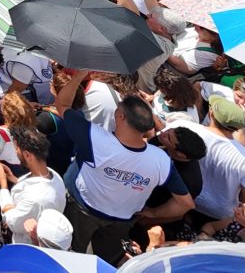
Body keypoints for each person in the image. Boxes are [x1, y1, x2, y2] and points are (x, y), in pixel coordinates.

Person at [53, 73, 193, 264]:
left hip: (82, 209)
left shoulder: (95, 138)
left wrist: (79, 75)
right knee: (107, 259)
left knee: (70, 253)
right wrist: (152, 213)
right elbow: (186, 203)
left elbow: (63, 105)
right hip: (121, 220)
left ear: (120, 116)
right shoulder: (161, 160)